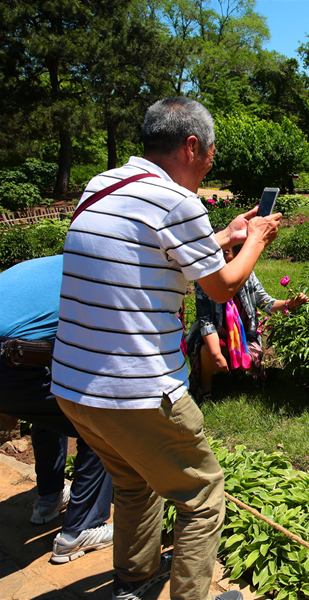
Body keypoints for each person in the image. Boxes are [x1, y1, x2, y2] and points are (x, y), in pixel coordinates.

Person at [51, 97, 279, 600]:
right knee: (201, 495)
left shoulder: (102, 184)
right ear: (191, 145)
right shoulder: (177, 202)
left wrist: (223, 235)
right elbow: (222, 288)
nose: (211, 162)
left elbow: (152, 252)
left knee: (134, 483)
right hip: (139, 392)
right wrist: (257, 237)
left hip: (74, 387)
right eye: (211, 152)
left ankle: (134, 583)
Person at [0, 255, 114, 563]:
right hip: (13, 360)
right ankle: (81, 529)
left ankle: (49, 498)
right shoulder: (99, 278)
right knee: (100, 424)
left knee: (50, 412)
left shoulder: (51, 264)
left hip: (17, 360)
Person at [187, 244, 308, 400]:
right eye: (215, 253)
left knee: (252, 357)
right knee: (206, 352)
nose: (220, 258)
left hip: (242, 338)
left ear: (237, 255)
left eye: (225, 253)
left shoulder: (247, 277)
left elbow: (266, 303)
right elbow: (206, 322)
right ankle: (205, 388)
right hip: (213, 337)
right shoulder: (205, 281)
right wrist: (216, 354)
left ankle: (238, 373)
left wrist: (289, 304)